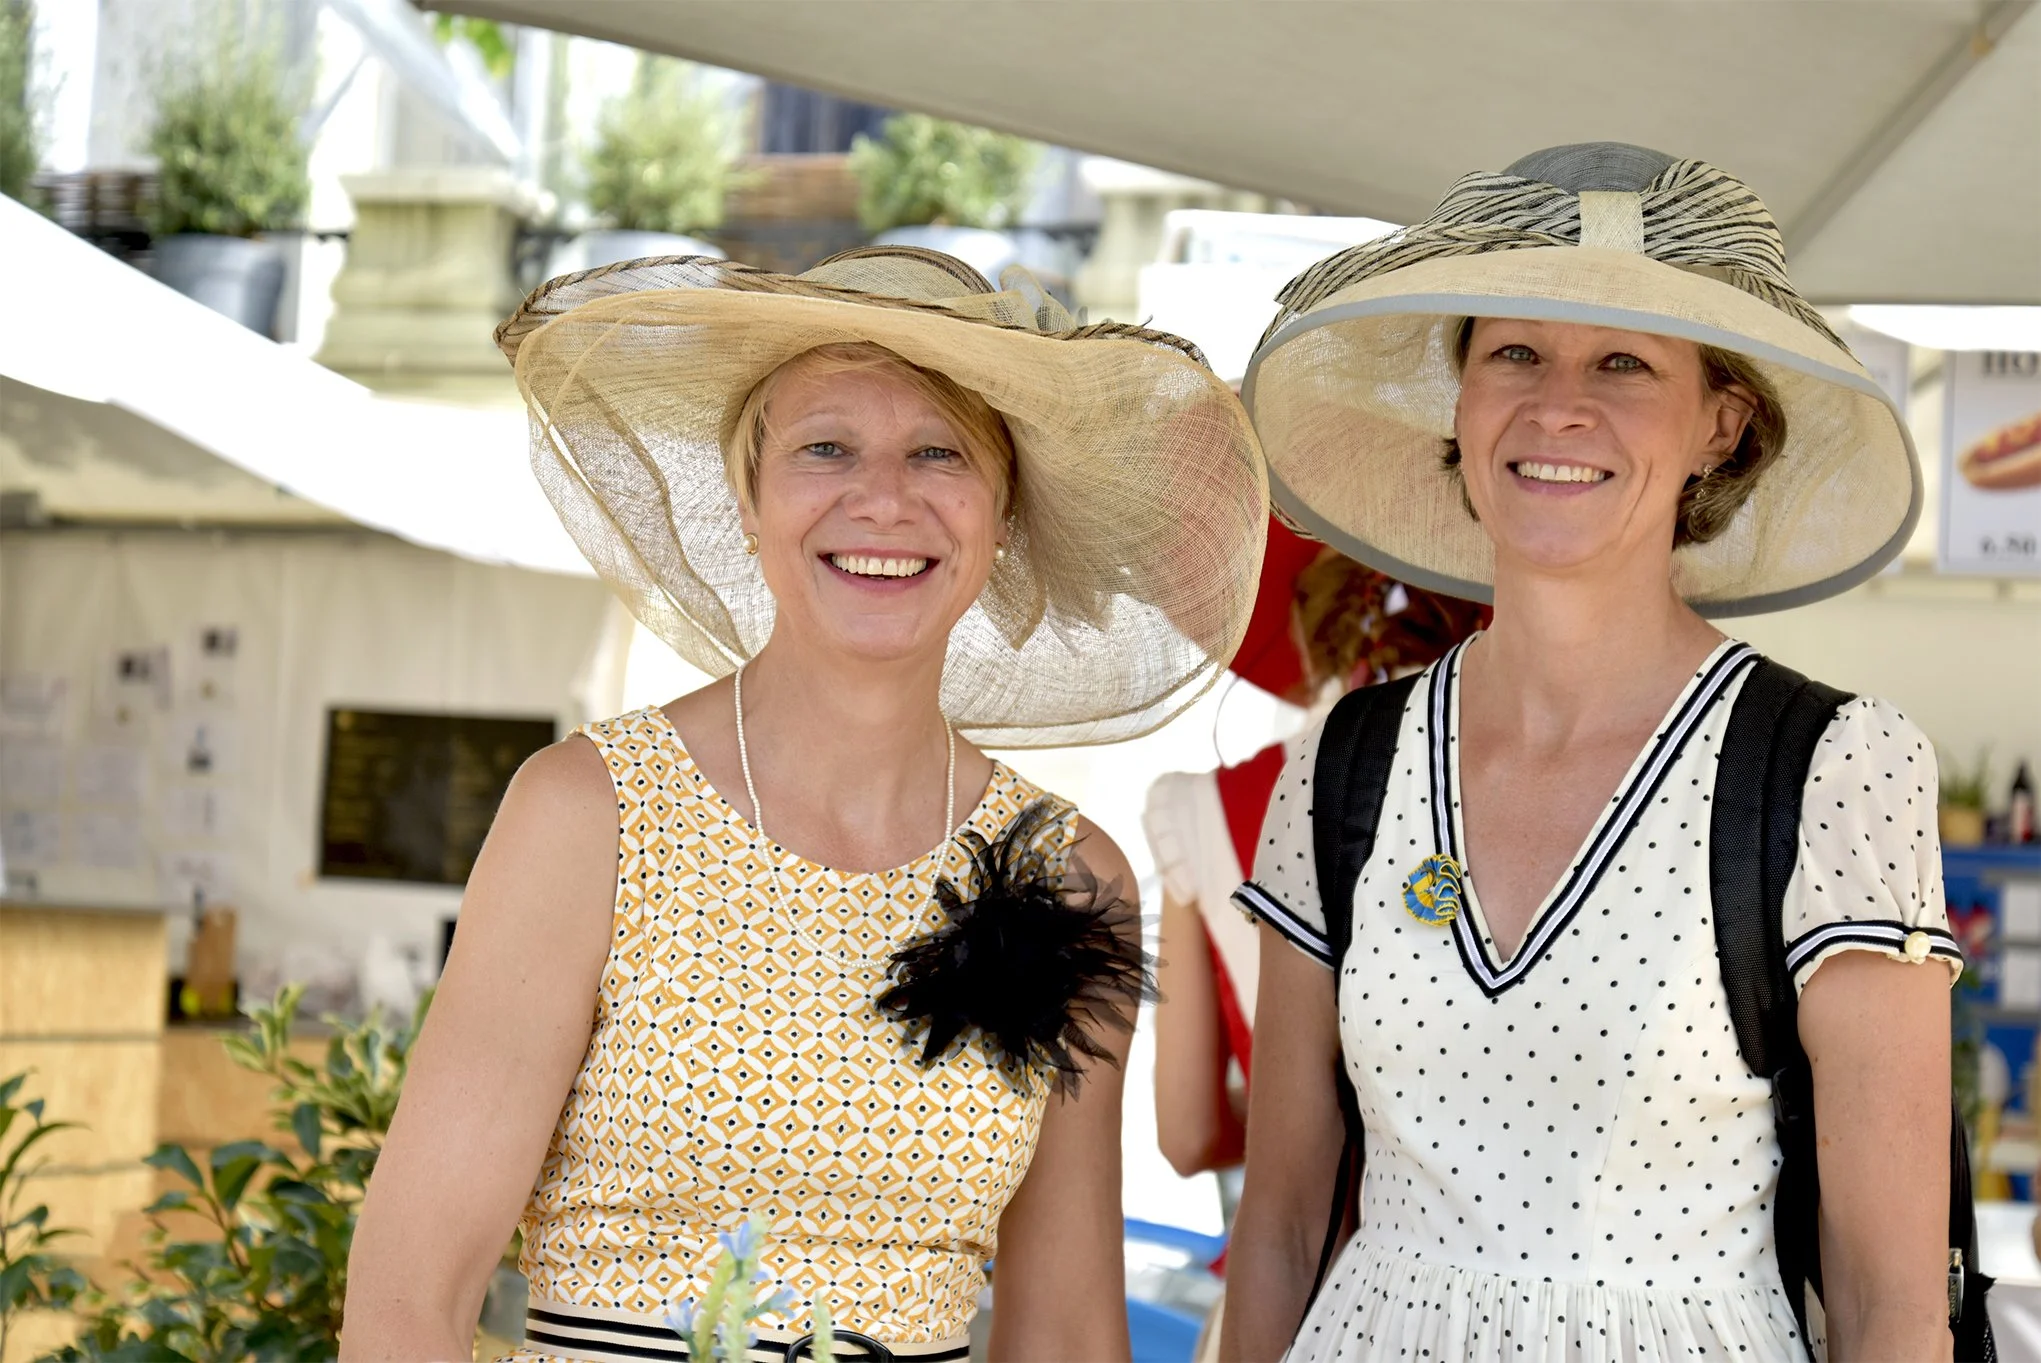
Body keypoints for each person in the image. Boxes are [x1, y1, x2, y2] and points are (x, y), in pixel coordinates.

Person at [340, 247, 1267, 1362]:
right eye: (826, 447)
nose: (883, 498)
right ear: (747, 498)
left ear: (1003, 512)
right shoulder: (591, 815)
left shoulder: (1069, 875)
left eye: (939, 452)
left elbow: (1065, 1333)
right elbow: (406, 1298)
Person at [1221, 144, 1959, 1362]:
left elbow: (1892, 1305)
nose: (1556, 405)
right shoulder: (1346, 762)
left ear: (1721, 424)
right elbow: (1281, 1232)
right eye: (1514, 352)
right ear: (1461, 399)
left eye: (1623, 361)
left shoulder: (1831, 766)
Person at [1146, 525, 1487, 1180]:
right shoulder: (1536, 772)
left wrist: (1306, 1121)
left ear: (1303, 636)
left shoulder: (1196, 810)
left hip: (1316, 1233)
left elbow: (1188, 1136)